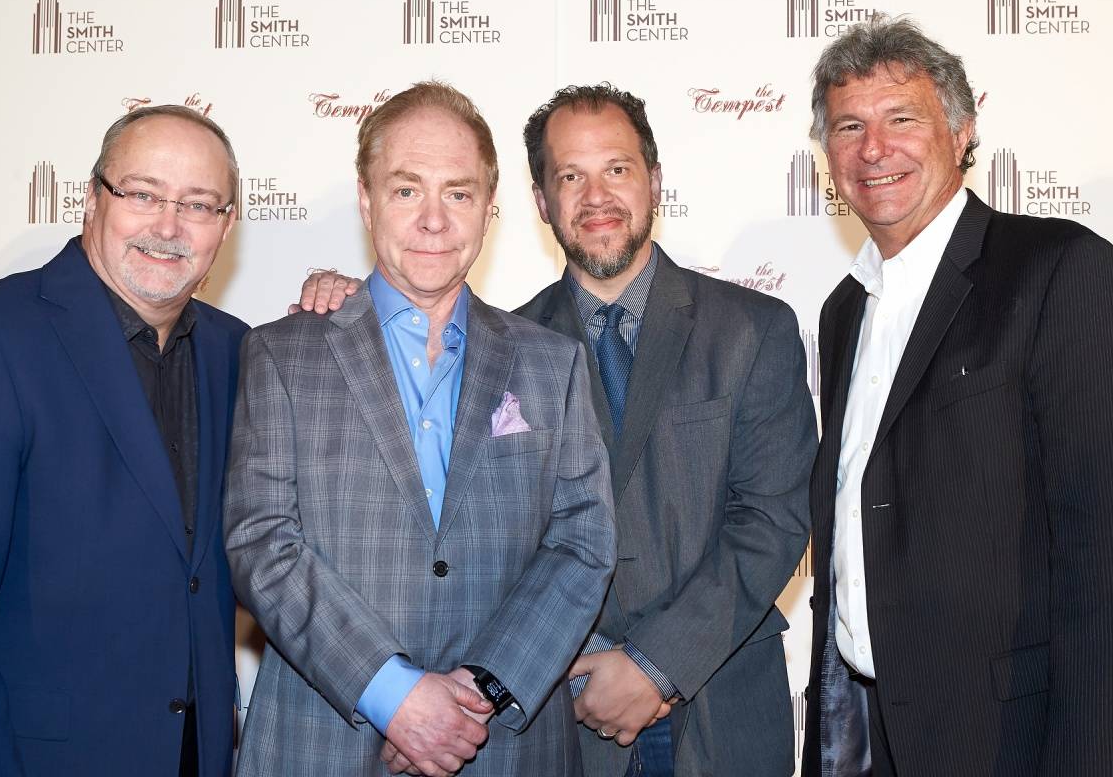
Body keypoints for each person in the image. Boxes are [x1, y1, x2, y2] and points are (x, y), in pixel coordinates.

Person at [301, 83, 817, 777]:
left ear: (655, 181)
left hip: (719, 707)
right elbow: (470, 545)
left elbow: (773, 520)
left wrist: (654, 664)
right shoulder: (493, 349)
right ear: (539, 201)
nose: (596, 196)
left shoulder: (753, 330)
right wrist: (348, 301)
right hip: (555, 721)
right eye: (569, 176)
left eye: (617, 169)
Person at [225, 81, 617, 777]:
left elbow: (582, 544)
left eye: (459, 193)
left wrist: (481, 689)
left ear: (490, 209)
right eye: (407, 190)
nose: (434, 219)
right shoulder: (281, 354)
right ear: (365, 198)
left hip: (506, 747)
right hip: (323, 743)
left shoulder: (550, 363)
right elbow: (262, 542)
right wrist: (395, 695)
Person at [802, 16, 1112, 776]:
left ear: (963, 128)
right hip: (865, 732)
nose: (873, 149)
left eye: (900, 118)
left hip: (1008, 736)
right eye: (849, 126)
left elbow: (1097, 547)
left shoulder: (1057, 269)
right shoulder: (844, 309)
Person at [0, 105, 247, 776]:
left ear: (227, 225)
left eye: (199, 204)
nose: (168, 225)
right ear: (92, 199)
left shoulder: (238, 352)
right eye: (143, 193)